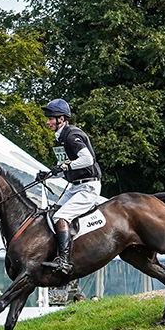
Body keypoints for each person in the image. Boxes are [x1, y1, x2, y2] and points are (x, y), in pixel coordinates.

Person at [36, 99, 103, 275]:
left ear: (62, 119)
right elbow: (64, 166)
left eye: (51, 118)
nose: (48, 122)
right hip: (75, 187)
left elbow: (87, 160)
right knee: (51, 214)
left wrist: (65, 166)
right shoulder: (60, 140)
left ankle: (64, 261)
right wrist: (49, 173)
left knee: (61, 217)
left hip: (88, 187)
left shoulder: (71, 135)